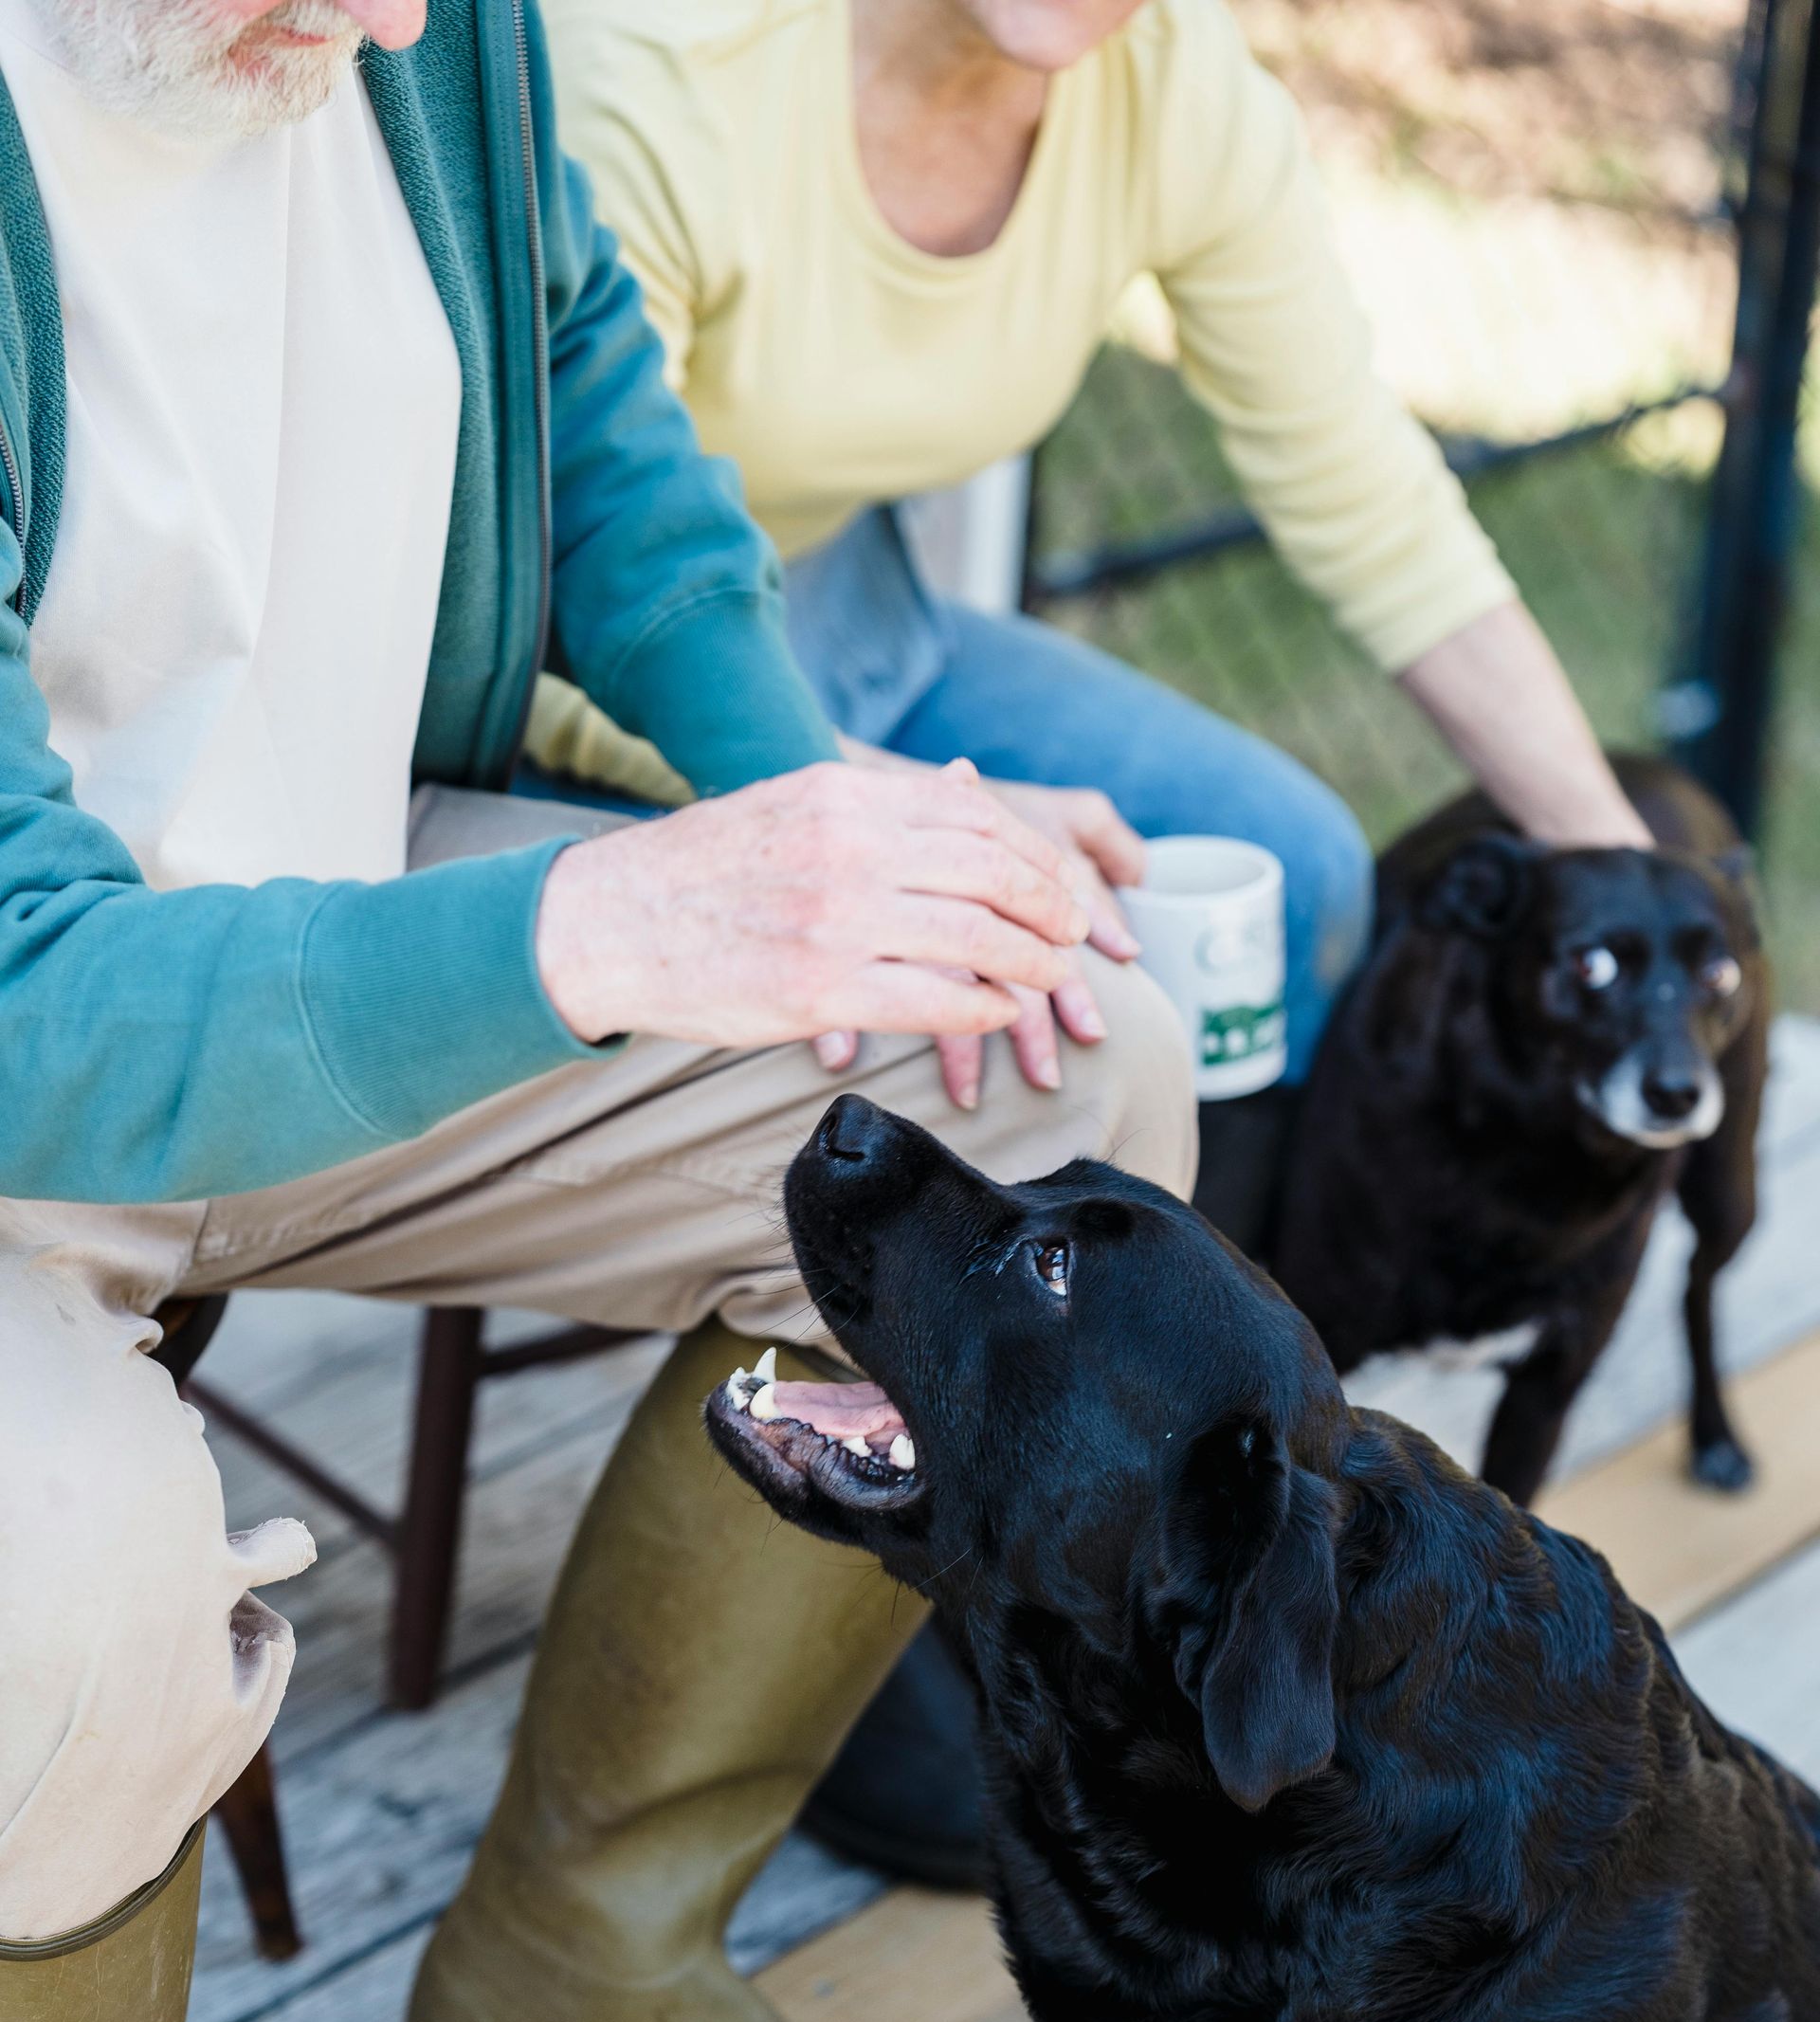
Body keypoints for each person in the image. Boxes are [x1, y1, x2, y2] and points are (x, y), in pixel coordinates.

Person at [0, 0, 1199, 2022]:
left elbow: (610, 469)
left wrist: (845, 852)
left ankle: (589, 1972)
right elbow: (22, 992)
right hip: (27, 1044)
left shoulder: (434, 40)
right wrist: (612, 933)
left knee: (1040, 1073)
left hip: (339, 946)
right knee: (62, 1569)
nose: (424, 21)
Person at [537, 0, 1659, 1248]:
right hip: (579, 681)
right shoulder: (666, 75)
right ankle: (907, 1381)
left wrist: (1633, 876)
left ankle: (1205, 1364)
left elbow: (1371, 503)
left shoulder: (1176, 80)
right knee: (988, 1021)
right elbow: (555, 614)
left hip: (852, 619)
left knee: (1288, 875)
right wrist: (913, 824)